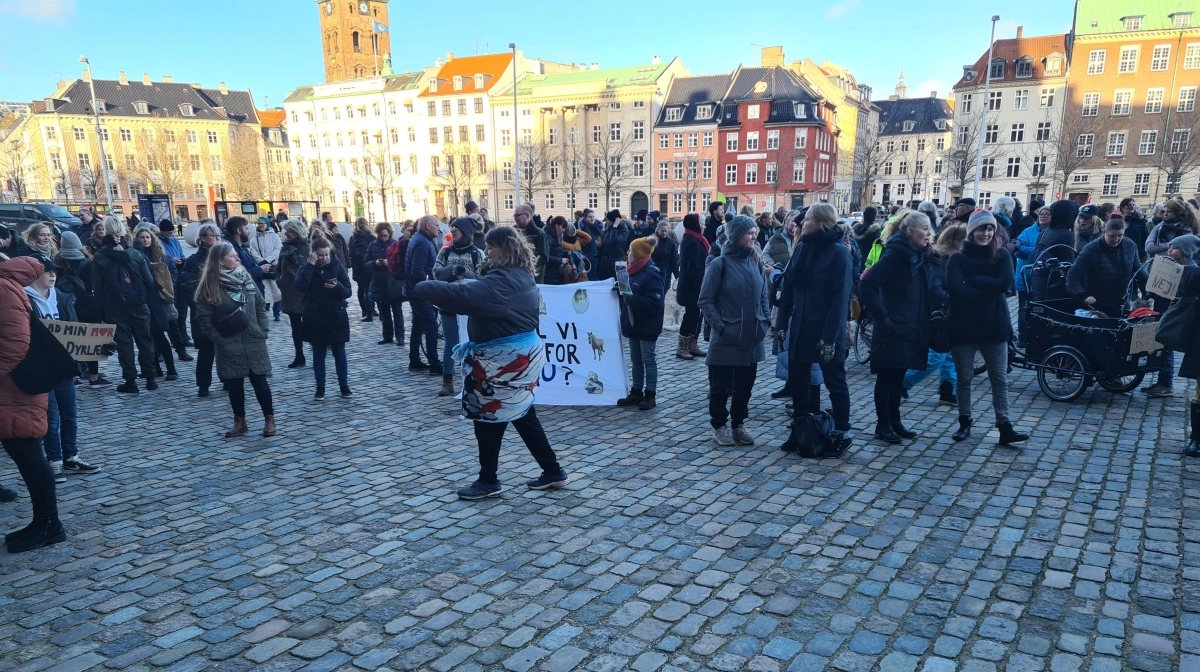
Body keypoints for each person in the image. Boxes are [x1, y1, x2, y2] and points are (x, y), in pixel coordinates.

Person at [411, 226, 569, 500]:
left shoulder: (504, 282)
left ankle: (488, 481)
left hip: (502, 360)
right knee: (522, 413)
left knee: (488, 418)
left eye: (492, 247)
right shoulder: (519, 274)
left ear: (504, 250)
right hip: (518, 355)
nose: (488, 250)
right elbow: (477, 289)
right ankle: (552, 471)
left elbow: (462, 297)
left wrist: (423, 285)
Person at [945, 211, 1029, 445]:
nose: (986, 233)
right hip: (964, 326)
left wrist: (971, 280)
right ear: (972, 231)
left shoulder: (1001, 255)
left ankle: (1004, 425)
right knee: (964, 377)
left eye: (990, 229)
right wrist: (987, 289)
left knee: (999, 378)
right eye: (982, 229)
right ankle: (964, 421)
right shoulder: (957, 259)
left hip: (994, 325)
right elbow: (955, 289)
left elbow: (1004, 283)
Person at [0, 256, 66, 553]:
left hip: (15, 388)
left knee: (28, 452)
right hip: (11, 387)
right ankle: (45, 522)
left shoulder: (3, 287)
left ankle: (49, 524)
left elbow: (16, 343)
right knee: (24, 452)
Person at [776, 203, 854, 453]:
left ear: (821, 223)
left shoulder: (839, 253)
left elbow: (839, 300)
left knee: (835, 382)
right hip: (800, 326)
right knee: (798, 381)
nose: (801, 223)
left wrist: (830, 337)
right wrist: (782, 324)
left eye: (807, 219)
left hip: (825, 330)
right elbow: (788, 290)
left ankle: (841, 431)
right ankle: (800, 429)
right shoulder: (801, 249)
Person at [860, 211, 937, 444]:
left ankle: (894, 420)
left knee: (898, 375)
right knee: (887, 377)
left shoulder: (917, 254)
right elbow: (867, 284)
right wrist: (883, 317)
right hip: (893, 327)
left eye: (929, 228)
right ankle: (883, 424)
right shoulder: (896, 256)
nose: (928, 232)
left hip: (910, 325)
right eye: (924, 228)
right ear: (909, 231)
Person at [24, 258, 102, 485]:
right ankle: (55, 461)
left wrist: (78, 364)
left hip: (63, 365)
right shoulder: (25, 299)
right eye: (47, 272)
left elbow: (74, 332)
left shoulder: (62, 297)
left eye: (54, 272)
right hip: (41, 366)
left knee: (70, 414)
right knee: (52, 417)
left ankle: (71, 456)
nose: (52, 275)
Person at [698, 215, 771, 447]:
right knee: (719, 386)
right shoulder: (719, 264)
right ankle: (719, 425)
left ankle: (738, 424)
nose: (753, 237)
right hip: (726, 337)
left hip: (752, 336)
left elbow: (763, 296)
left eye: (754, 233)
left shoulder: (755, 262)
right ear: (737, 235)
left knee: (745, 386)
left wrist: (765, 320)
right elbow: (705, 300)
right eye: (749, 233)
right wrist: (720, 326)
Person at [194, 242, 275, 438]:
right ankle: (240, 421)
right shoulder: (210, 286)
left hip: (253, 338)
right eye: (232, 256)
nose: (237, 259)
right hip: (229, 342)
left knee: (260, 382)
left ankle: (269, 419)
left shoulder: (244, 277)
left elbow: (260, 305)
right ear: (220, 261)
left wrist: (262, 329)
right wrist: (219, 339)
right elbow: (204, 318)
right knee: (235, 385)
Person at [92, 216, 157, 394]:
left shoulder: (100, 257)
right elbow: (150, 281)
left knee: (124, 344)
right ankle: (150, 378)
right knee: (145, 340)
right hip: (139, 304)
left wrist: (100, 310)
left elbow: (97, 287)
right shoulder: (136, 254)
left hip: (115, 306)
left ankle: (131, 381)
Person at [903, 224, 965, 405]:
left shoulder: (956, 259)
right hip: (937, 313)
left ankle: (948, 388)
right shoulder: (941, 260)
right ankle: (902, 383)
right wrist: (953, 299)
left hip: (949, 313)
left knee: (950, 354)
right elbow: (934, 288)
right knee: (937, 356)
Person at [295, 237, 353, 399]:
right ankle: (320, 387)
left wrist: (337, 287)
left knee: (339, 353)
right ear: (313, 254)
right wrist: (310, 265)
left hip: (336, 314)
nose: (324, 258)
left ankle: (344, 386)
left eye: (326, 254)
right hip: (315, 316)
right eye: (321, 255)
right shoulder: (307, 266)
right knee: (318, 354)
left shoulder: (337, 265)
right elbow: (300, 285)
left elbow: (348, 291)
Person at [433, 217, 484, 396]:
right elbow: (436, 273)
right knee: (450, 343)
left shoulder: (477, 253)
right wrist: (452, 270)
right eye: (452, 229)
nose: (452, 232)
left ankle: (476, 379)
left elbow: (482, 277)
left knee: (473, 343)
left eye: (457, 229)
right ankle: (447, 381)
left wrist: (466, 273)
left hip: (470, 306)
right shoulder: (445, 252)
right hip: (448, 304)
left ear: (466, 233)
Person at [615, 236, 666, 411]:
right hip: (633, 324)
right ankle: (636, 391)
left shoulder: (652, 274)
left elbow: (655, 303)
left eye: (631, 251)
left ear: (638, 255)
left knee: (648, 359)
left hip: (647, 325)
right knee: (636, 359)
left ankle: (650, 394)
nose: (628, 253)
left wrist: (632, 299)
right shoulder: (631, 271)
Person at [131, 227, 182, 381]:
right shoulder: (134, 255)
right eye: (142, 237)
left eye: (147, 237)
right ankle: (155, 368)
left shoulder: (161, 256)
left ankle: (171, 369)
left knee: (160, 335)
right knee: (148, 336)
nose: (145, 240)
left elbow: (172, 273)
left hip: (159, 300)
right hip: (143, 299)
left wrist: (167, 287)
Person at [179, 222, 221, 395]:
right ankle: (203, 385)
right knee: (206, 351)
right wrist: (204, 304)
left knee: (227, 349)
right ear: (203, 239)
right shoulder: (194, 261)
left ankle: (229, 379)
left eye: (218, 235)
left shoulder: (225, 256)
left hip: (225, 312)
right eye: (213, 235)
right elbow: (188, 287)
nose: (217, 239)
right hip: (204, 313)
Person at [1066, 218, 1140, 315]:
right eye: (1112, 236)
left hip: (1122, 300)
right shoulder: (1091, 249)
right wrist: (1083, 296)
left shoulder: (1130, 245)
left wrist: (1148, 287)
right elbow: (1073, 274)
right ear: (1104, 232)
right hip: (1097, 302)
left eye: (1120, 235)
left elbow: (1138, 270)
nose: (1116, 240)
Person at [405, 215, 442, 372]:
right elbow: (417, 271)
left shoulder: (419, 239)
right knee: (431, 327)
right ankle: (434, 363)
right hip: (420, 292)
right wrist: (430, 282)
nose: (439, 229)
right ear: (428, 226)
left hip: (415, 291)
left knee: (418, 326)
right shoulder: (421, 242)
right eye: (436, 226)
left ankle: (414, 360)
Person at [1013, 206, 1051, 347]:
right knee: (1024, 308)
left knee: (1040, 308)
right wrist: (1038, 251)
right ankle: (1023, 337)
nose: (1044, 216)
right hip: (1025, 278)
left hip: (1044, 280)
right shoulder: (1027, 232)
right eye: (1042, 213)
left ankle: (1036, 336)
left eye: (1047, 214)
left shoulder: (1052, 233)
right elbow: (1018, 250)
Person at [277, 219, 311, 369]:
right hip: (290, 291)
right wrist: (280, 280)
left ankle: (317, 352)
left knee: (311, 325)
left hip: (305, 293)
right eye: (286, 230)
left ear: (297, 231)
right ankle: (299, 355)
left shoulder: (307, 247)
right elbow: (279, 267)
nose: (286, 233)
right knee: (295, 327)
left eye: (289, 230)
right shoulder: (284, 248)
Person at [677, 213, 709, 361]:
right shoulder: (691, 241)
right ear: (695, 225)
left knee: (696, 315)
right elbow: (694, 267)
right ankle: (682, 347)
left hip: (695, 285)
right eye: (702, 223)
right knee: (690, 316)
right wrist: (701, 285)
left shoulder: (697, 239)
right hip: (692, 287)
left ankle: (692, 344)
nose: (704, 226)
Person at [365, 222, 400, 344]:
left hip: (393, 282)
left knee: (397, 311)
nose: (384, 238)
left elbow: (400, 264)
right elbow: (366, 263)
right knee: (384, 312)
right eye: (381, 236)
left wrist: (389, 263)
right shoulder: (373, 245)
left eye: (385, 235)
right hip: (379, 281)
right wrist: (375, 263)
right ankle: (387, 336)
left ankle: (400, 337)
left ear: (390, 233)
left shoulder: (396, 244)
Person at [250, 216, 283, 322]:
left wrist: (268, 260)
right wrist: (261, 262)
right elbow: (253, 251)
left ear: (267, 224)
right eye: (259, 223)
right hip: (261, 267)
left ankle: (276, 312)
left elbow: (278, 249)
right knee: (264, 290)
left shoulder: (275, 237)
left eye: (263, 223)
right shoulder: (254, 239)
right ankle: (264, 310)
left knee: (277, 291)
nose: (260, 225)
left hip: (273, 266)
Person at [223, 217, 267, 293]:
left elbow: (250, 267)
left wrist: (269, 274)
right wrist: (260, 269)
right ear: (239, 231)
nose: (249, 232)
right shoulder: (231, 250)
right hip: (247, 294)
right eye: (246, 229)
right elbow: (239, 275)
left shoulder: (242, 246)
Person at [348, 217, 376, 322]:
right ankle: (371, 310)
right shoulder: (371, 237)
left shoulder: (352, 237)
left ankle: (364, 310)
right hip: (368, 266)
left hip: (357, 267)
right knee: (369, 288)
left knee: (361, 288)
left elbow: (350, 251)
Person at [512, 204, 547, 283]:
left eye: (517, 215)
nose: (515, 218)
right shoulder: (513, 232)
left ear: (527, 215)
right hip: (516, 275)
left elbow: (544, 258)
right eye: (514, 215)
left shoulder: (539, 234)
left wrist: (526, 263)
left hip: (533, 276)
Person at [595, 210, 631, 281]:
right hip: (604, 263)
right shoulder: (606, 230)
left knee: (617, 284)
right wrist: (599, 246)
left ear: (614, 221)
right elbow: (604, 247)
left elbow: (615, 241)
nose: (606, 222)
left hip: (616, 261)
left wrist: (614, 228)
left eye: (608, 220)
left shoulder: (623, 229)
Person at [542, 216, 575, 286]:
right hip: (550, 273)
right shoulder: (549, 236)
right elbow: (545, 255)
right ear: (557, 225)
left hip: (555, 272)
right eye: (562, 227)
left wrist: (567, 252)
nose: (563, 230)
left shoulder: (555, 235)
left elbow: (556, 251)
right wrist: (560, 260)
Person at [651, 219, 679, 293]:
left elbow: (674, 260)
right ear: (658, 230)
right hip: (654, 270)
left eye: (665, 231)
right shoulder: (652, 241)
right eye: (662, 231)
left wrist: (677, 274)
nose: (664, 233)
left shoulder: (671, 243)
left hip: (666, 272)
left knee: (664, 290)